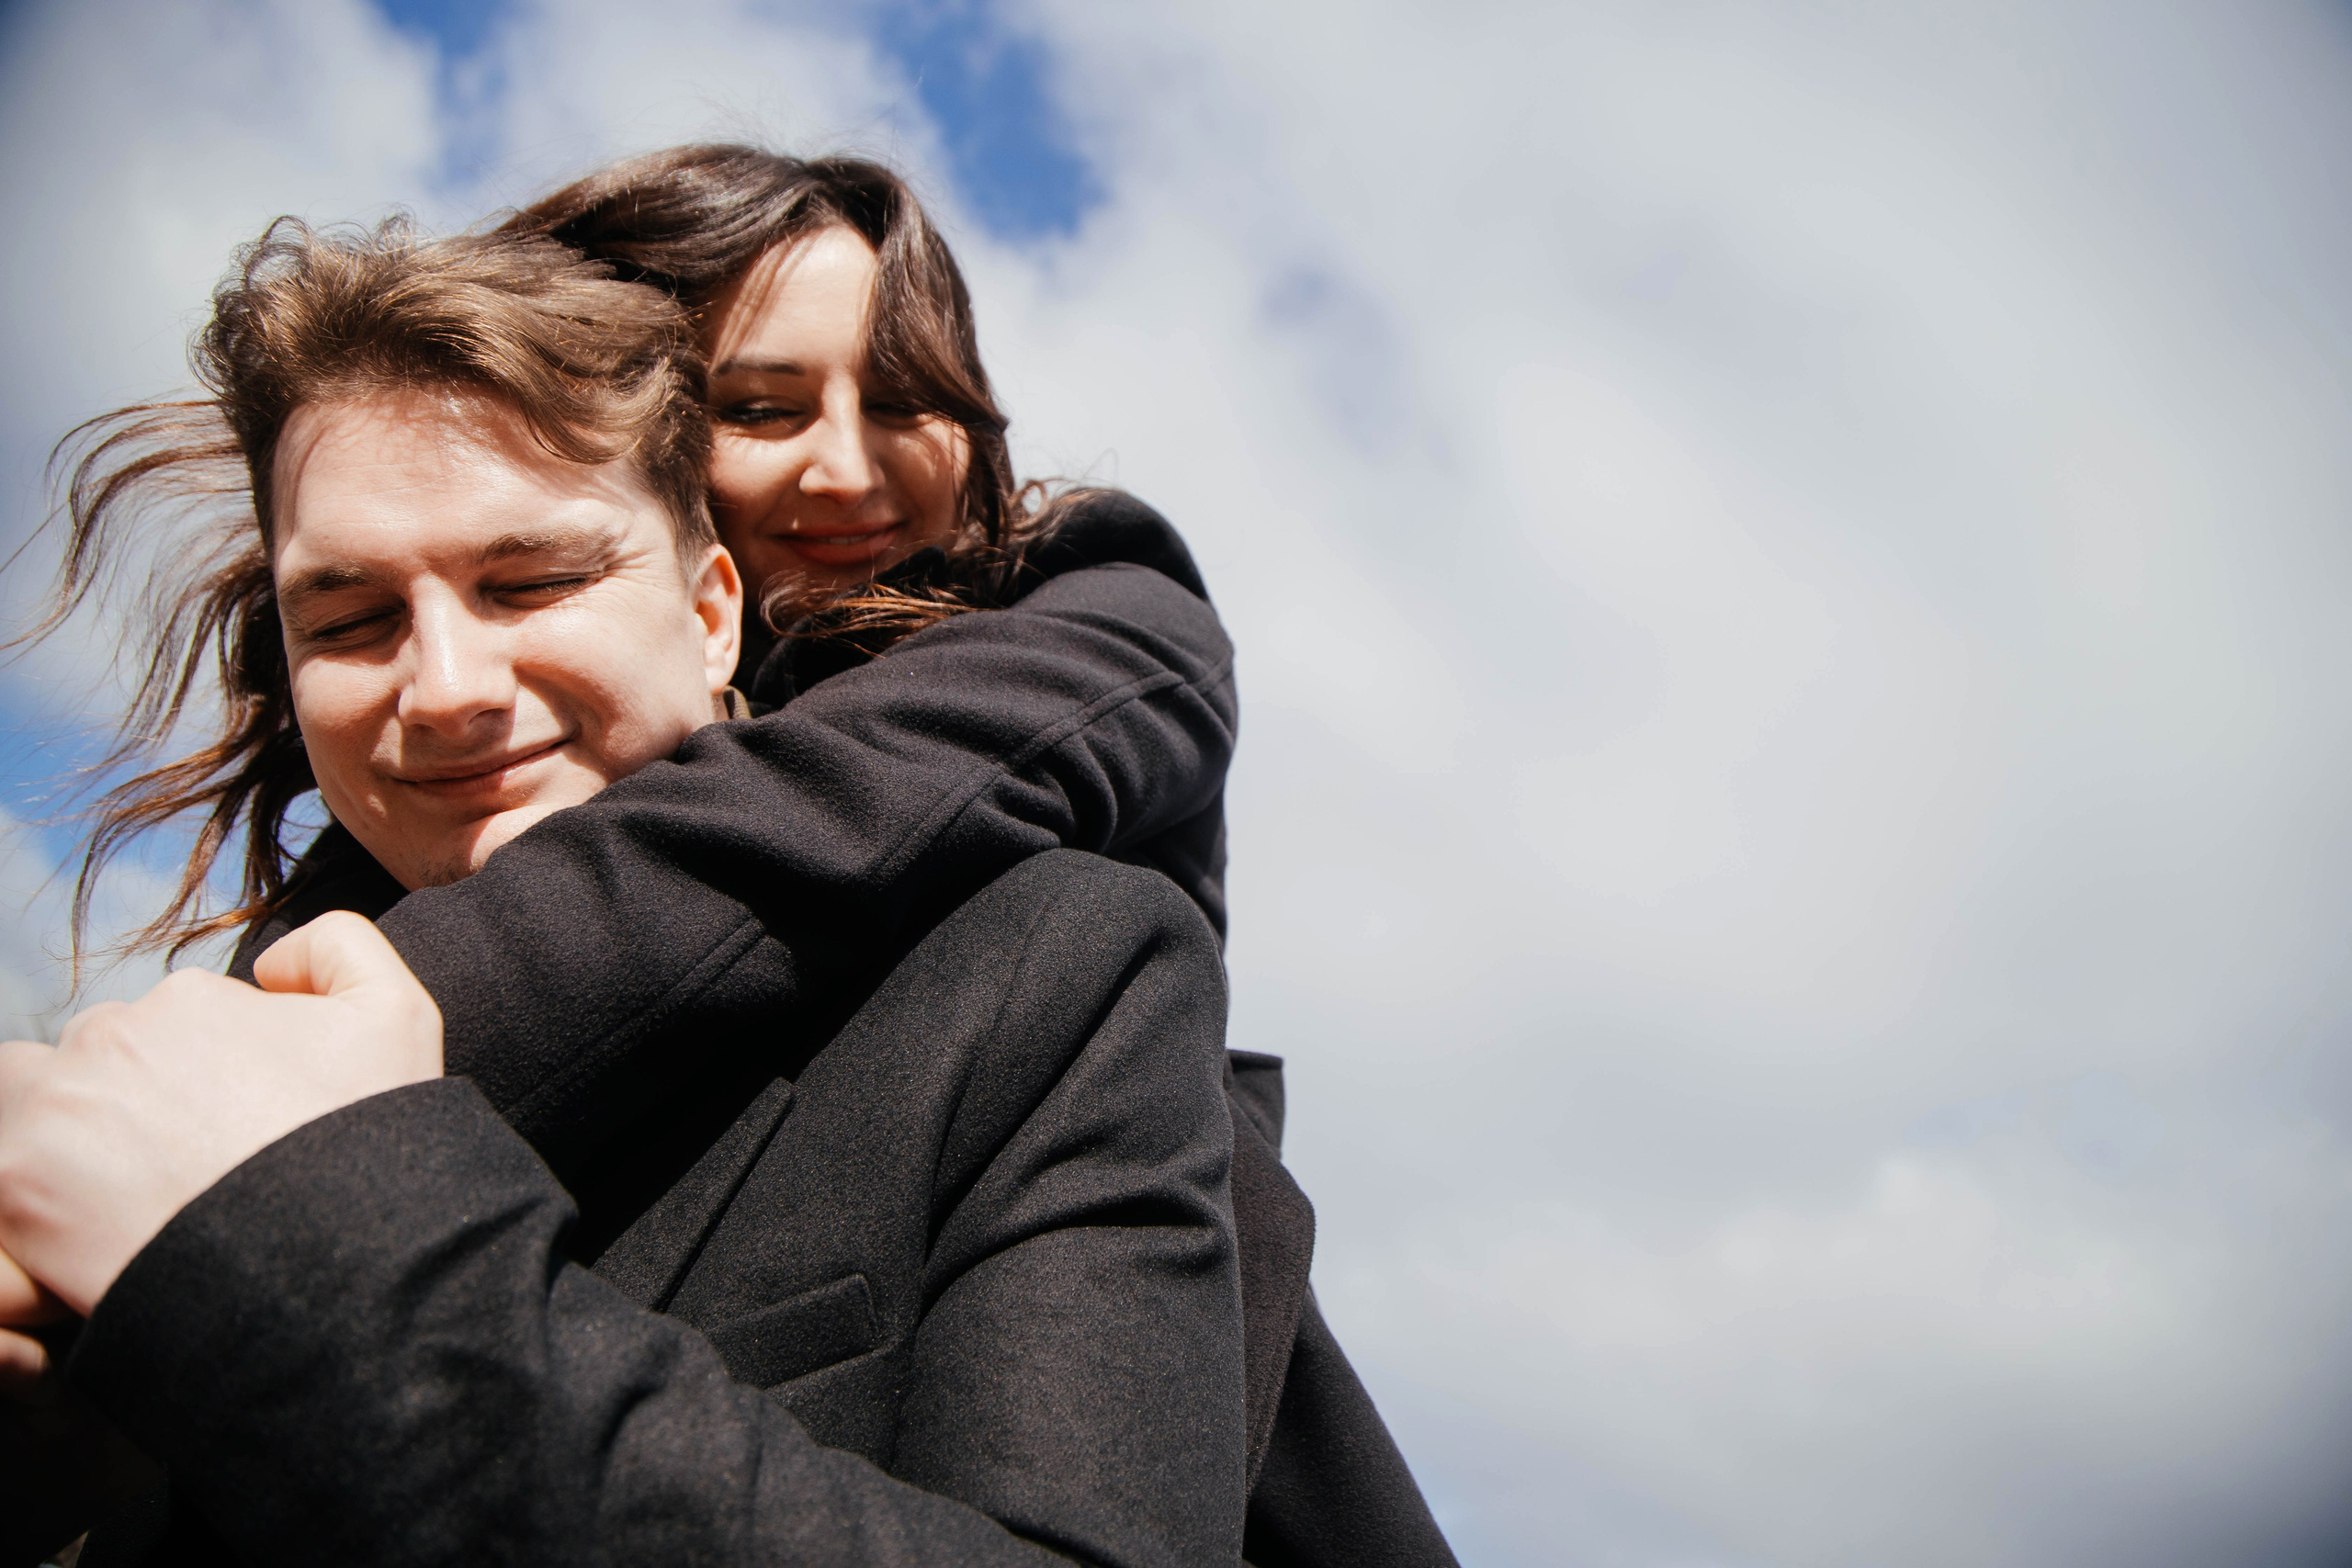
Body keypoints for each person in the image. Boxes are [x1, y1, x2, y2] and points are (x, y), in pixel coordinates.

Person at [12, 146, 1457, 1567]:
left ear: (704, 601)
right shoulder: (361, 877)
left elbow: (759, 843)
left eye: (910, 400)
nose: (848, 468)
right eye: (761, 406)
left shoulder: (1083, 665)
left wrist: (271, 1170)